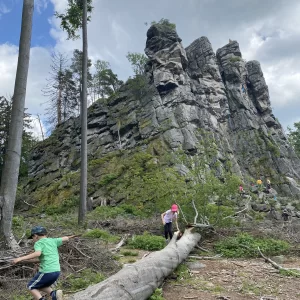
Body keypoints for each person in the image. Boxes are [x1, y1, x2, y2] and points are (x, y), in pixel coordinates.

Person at [13, 226, 77, 300]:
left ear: (36, 236)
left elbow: (37, 253)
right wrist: (72, 236)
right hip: (56, 271)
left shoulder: (38, 243)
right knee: (41, 286)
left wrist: (20, 258)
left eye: (32, 237)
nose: (33, 239)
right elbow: (65, 238)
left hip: (47, 271)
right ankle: (54, 294)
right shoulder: (53, 240)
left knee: (31, 286)